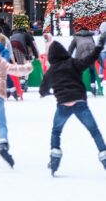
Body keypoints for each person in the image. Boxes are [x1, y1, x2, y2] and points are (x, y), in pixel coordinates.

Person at [39, 36, 106, 176]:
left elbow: (42, 90)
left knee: (56, 131)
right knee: (94, 131)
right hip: (80, 103)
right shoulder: (73, 63)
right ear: (64, 52)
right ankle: (104, 156)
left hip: (63, 105)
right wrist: (99, 45)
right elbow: (90, 58)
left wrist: (46, 92)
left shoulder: (50, 71)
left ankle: (54, 158)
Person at [68, 27, 97, 95]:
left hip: (80, 57)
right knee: (92, 71)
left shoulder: (76, 37)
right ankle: (93, 87)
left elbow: (71, 48)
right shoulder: (90, 37)